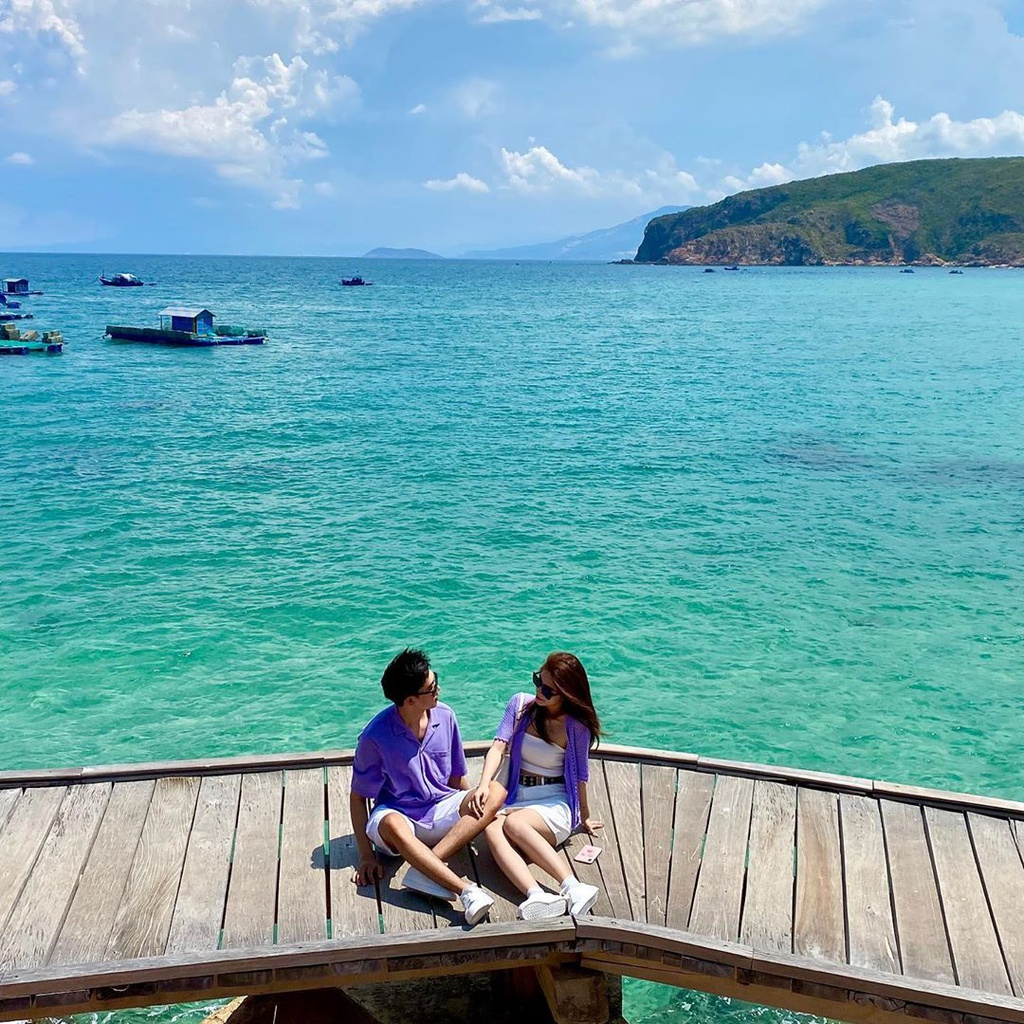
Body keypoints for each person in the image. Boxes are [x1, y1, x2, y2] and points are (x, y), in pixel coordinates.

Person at [349, 648, 505, 925]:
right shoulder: (374, 736)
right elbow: (358, 797)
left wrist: (477, 812)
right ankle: (466, 891)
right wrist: (365, 856)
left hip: (440, 808)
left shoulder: (446, 716)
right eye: (432, 688)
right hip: (399, 821)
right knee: (393, 823)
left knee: (494, 792)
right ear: (410, 700)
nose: (439, 689)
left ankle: (424, 868)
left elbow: (457, 779)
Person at [472, 651, 603, 920]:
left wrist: (584, 817)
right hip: (517, 796)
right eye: (537, 681)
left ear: (566, 694)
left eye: (548, 690)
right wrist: (484, 784)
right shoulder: (520, 706)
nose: (539, 691)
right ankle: (537, 895)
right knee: (492, 829)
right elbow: (498, 746)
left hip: (554, 802)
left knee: (514, 825)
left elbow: (580, 775)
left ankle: (573, 887)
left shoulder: (576, 728)